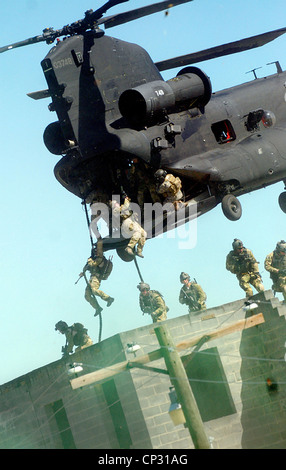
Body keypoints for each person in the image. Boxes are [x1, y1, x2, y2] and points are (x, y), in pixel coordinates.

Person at [79, 238, 114, 315]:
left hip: (96, 278)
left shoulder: (100, 259)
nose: (96, 254)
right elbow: (87, 267)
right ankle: (97, 308)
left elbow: (93, 264)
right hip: (91, 278)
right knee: (87, 295)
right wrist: (83, 272)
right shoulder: (94, 259)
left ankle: (108, 298)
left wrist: (89, 260)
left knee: (94, 290)